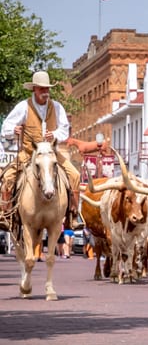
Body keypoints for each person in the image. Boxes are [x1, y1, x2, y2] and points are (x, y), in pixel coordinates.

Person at [0, 71, 81, 228]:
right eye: (42, 89)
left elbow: (64, 129)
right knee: (8, 177)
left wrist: (55, 134)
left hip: (52, 154)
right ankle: (6, 214)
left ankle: (74, 215)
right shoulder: (23, 107)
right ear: (34, 89)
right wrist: (14, 130)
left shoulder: (57, 107)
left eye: (47, 89)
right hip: (29, 153)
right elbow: (6, 126)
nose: (45, 92)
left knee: (75, 175)